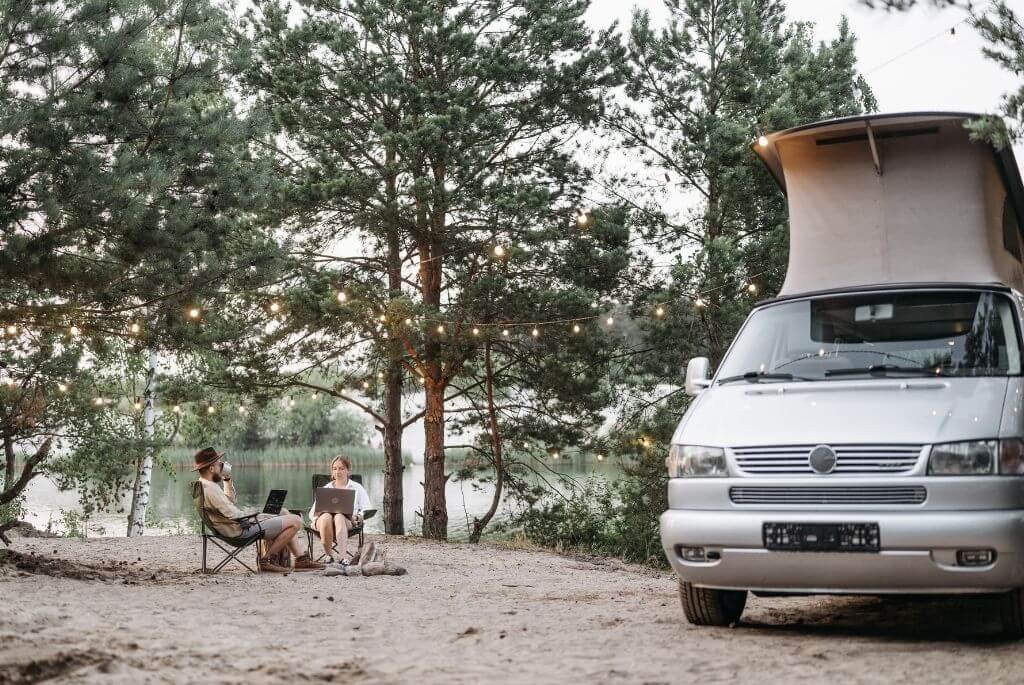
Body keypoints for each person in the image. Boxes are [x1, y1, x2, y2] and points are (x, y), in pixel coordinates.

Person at [191, 447, 322, 573]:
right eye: (219, 463)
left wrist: (227, 479)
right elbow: (233, 514)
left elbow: (230, 501)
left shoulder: (205, 485)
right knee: (296, 521)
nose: (221, 465)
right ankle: (267, 560)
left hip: (234, 526)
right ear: (212, 468)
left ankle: (300, 559)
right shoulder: (211, 489)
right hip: (239, 530)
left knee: (282, 512)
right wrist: (257, 515)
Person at [308, 455, 372, 565]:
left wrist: (358, 516)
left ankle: (342, 558)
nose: (338, 472)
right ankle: (329, 556)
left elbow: (368, 509)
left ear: (348, 471)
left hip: (346, 522)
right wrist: (321, 513)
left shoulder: (357, 488)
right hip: (324, 523)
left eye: (341, 468)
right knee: (326, 516)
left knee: (339, 516)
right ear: (332, 472)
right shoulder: (326, 489)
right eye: (335, 468)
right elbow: (312, 514)